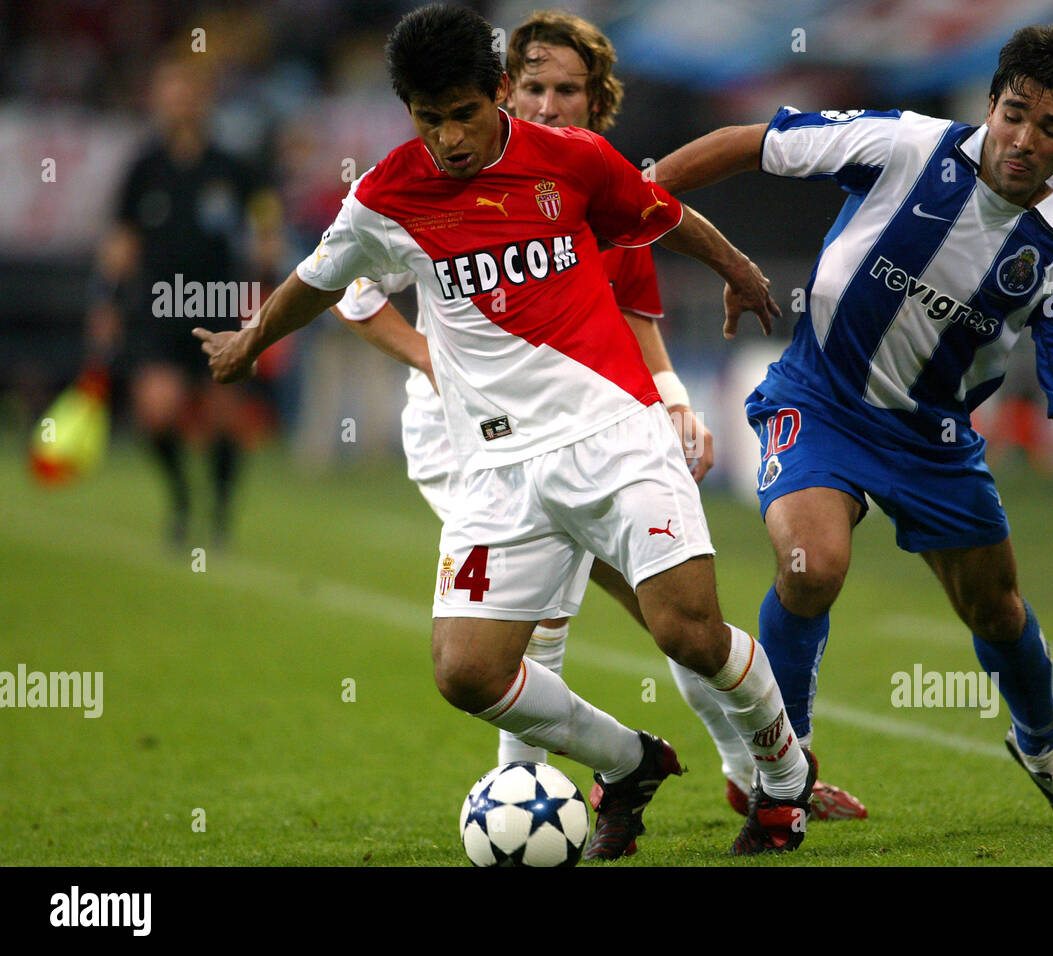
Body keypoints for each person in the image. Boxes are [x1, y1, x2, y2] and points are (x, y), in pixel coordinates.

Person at [195, 4, 813, 858]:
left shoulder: (574, 160)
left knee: (685, 630)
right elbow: (318, 278)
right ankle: (630, 762)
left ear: (495, 95)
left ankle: (784, 778)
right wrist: (253, 336)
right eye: (427, 117)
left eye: (461, 113)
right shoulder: (384, 195)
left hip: (612, 434)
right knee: (467, 674)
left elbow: (662, 214)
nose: (447, 137)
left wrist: (741, 270)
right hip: (494, 469)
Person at [652, 24, 1053, 829]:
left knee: (999, 612)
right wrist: (636, 201)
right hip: (819, 402)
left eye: (1051, 128)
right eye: (1014, 113)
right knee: (812, 566)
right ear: (992, 103)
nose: (1023, 139)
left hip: (935, 443)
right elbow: (756, 141)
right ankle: (784, 771)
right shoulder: (904, 146)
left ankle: (1043, 747)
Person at [329, 8, 866, 828]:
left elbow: (637, 321)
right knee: (544, 619)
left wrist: (677, 404)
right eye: (535, 87)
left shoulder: (591, 183)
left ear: (594, 100)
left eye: (566, 90)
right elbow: (354, 293)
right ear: (504, 90)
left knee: (669, 616)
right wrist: (432, 362)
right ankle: (581, 786)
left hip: (590, 430)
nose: (548, 105)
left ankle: (697, 773)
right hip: (468, 440)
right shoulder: (432, 175)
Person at [87, 57, 281, 547]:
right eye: (169, 91)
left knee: (223, 414)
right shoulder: (143, 168)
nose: (178, 101)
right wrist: (107, 303)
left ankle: (219, 508)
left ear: (203, 100)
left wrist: (266, 276)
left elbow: (265, 226)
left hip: (217, 301)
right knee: (156, 408)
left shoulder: (231, 167)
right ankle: (180, 498)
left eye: (187, 92)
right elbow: (121, 243)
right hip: (156, 305)